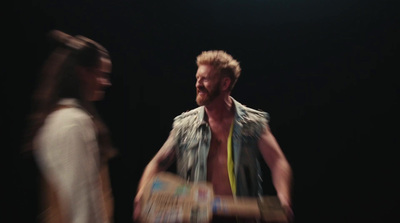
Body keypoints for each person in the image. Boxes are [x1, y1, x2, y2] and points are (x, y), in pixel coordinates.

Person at [133, 50, 293, 223]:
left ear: (225, 83)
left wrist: (283, 196)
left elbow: (278, 162)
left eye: (205, 79)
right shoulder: (185, 125)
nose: (198, 84)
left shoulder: (252, 123)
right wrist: (142, 194)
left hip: (241, 217)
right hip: (196, 218)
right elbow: (158, 162)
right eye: (197, 78)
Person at [23, 30, 117, 223]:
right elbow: (82, 202)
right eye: (101, 74)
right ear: (83, 72)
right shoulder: (72, 122)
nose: (106, 82)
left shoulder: (60, 118)